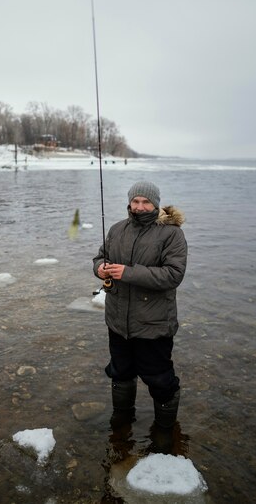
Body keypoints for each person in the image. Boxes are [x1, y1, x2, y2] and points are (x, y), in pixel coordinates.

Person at [93, 181, 187, 430]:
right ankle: (122, 424)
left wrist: (128, 273)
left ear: (155, 204)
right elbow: (100, 256)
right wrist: (100, 269)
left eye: (145, 202)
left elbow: (173, 275)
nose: (140, 207)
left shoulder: (172, 233)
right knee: (120, 372)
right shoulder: (116, 229)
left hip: (153, 324)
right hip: (117, 322)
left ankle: (165, 434)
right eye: (135, 201)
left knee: (160, 381)